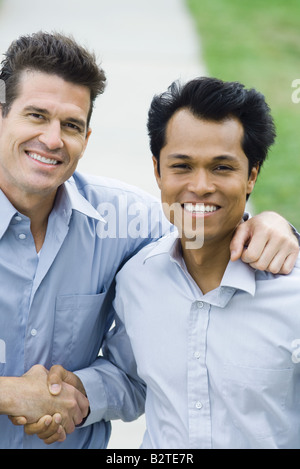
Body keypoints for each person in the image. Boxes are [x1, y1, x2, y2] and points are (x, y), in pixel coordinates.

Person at [0, 32, 298, 449]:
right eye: (35, 115)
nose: (53, 140)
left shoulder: (128, 225)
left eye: (71, 124)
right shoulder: (140, 258)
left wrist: (278, 225)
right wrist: (9, 393)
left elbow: (202, 228)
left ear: (87, 137)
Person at [113, 77, 300, 449]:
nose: (199, 186)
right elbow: (131, 378)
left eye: (221, 168)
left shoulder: (292, 294)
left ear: (252, 175)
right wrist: (68, 395)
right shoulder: (136, 279)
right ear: (157, 171)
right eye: (181, 166)